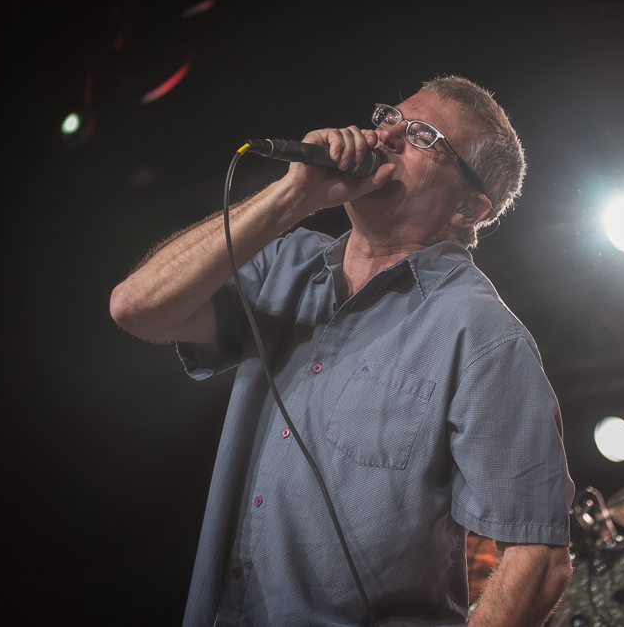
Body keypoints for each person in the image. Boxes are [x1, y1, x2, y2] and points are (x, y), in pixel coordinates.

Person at [110, 76, 576, 626]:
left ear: (470, 209)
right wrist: (293, 196)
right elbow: (135, 307)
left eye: (423, 136)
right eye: (389, 119)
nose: (387, 137)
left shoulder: (482, 334)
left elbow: (540, 561)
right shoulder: (287, 263)